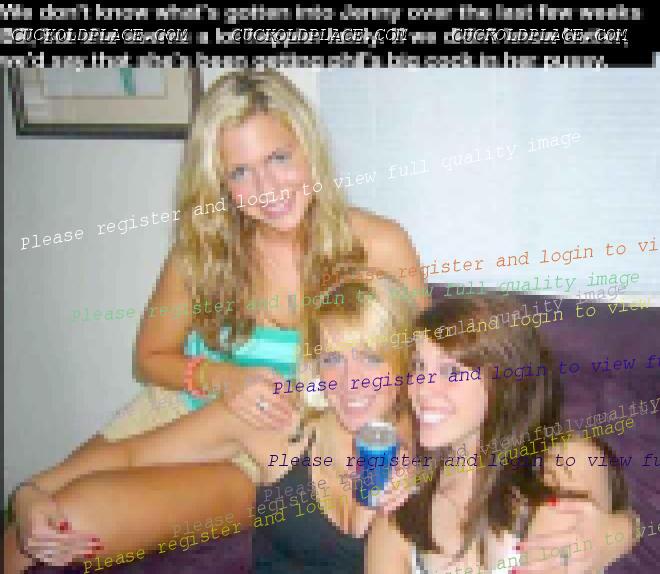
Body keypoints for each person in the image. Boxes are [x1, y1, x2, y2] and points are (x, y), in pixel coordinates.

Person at [4, 68, 428, 572]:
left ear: (308, 149)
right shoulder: (203, 252)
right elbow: (150, 357)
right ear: (220, 183)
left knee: (73, 518)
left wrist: (404, 452)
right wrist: (224, 378)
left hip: (262, 442)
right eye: (240, 172)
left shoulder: (379, 245)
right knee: (23, 535)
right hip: (178, 408)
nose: (266, 188)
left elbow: (422, 368)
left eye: (278, 158)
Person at [6, 274, 421, 573]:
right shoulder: (279, 421)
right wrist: (29, 492)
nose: (349, 381)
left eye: (371, 357)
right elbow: (131, 454)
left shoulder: (430, 444)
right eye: (332, 358)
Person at [366, 295, 639, 574]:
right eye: (418, 366)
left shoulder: (565, 462)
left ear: (505, 379)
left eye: (450, 371)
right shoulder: (403, 507)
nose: (422, 388)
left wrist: (627, 528)